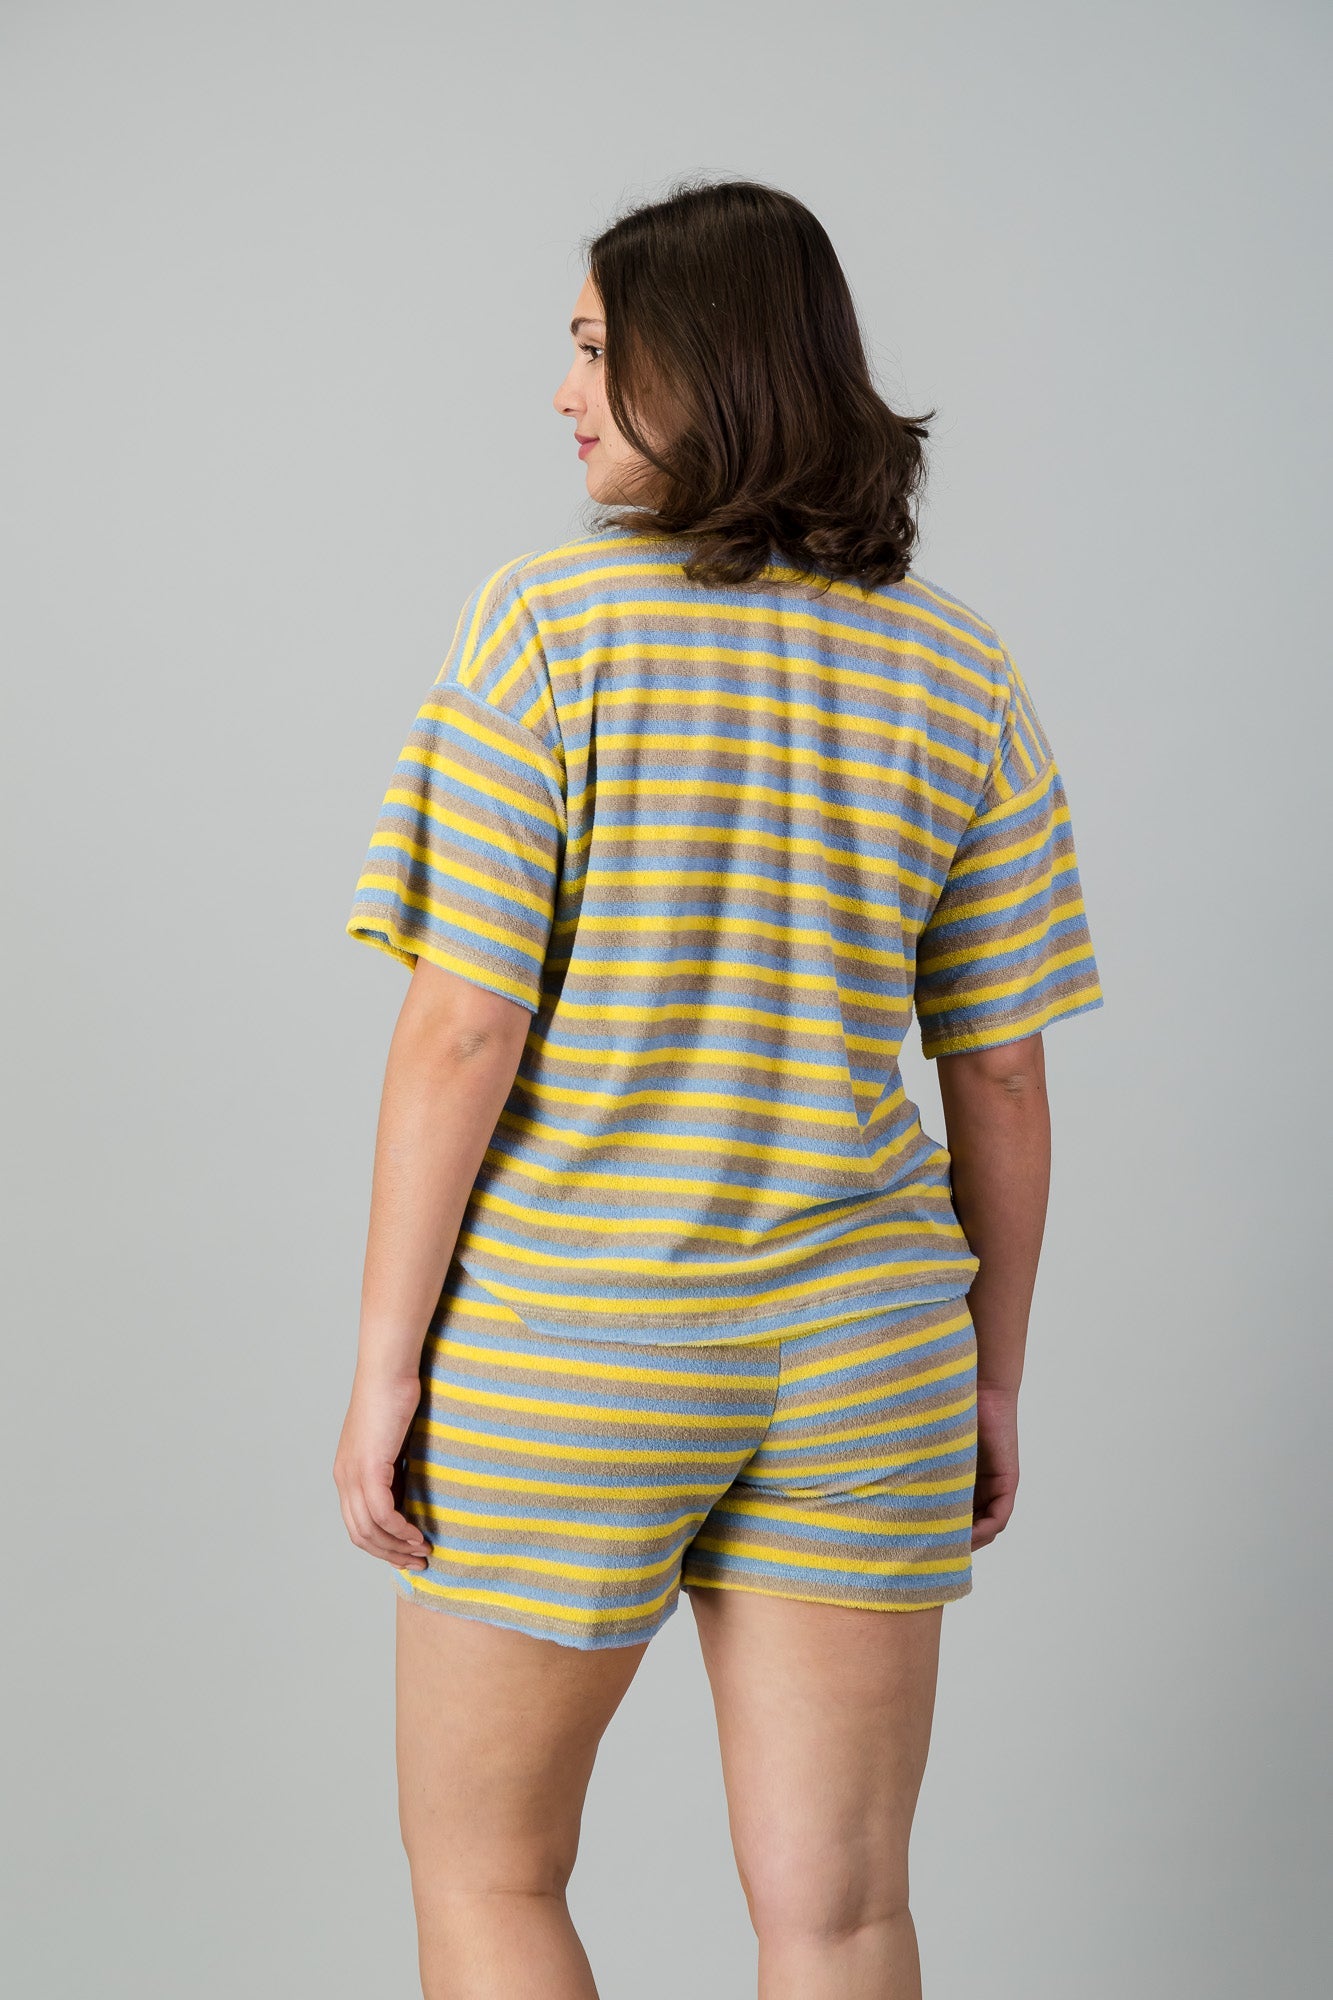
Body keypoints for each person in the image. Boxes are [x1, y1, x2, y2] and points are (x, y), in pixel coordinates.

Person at [333, 176, 1104, 2000]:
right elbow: (998, 1065)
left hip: (576, 1337)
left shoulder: (542, 630)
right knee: (840, 1912)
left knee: (489, 1876)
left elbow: (462, 1028)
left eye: (594, 348)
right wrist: (989, 1369)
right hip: (867, 1350)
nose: (561, 392)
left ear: (709, 364)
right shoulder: (956, 667)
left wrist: (385, 1365)